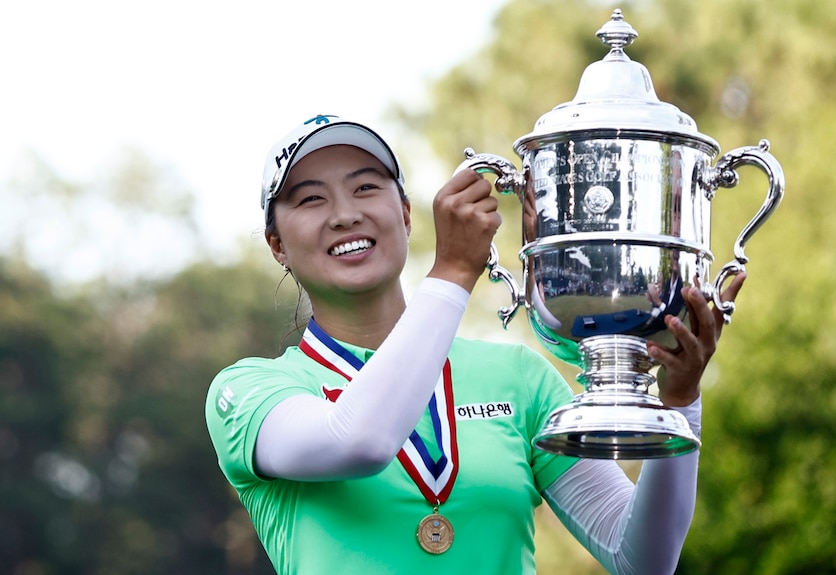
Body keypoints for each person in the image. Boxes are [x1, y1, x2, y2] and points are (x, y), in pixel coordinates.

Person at [205, 114, 745, 575]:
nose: (345, 213)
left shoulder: (517, 377)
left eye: (366, 187)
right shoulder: (250, 390)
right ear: (277, 245)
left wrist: (679, 403)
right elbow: (358, 441)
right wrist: (455, 271)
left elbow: (643, 559)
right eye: (311, 199)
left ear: (407, 213)